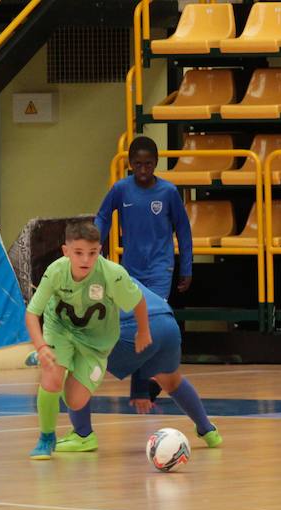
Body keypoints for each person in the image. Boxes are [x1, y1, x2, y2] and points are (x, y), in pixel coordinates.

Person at [41, 279, 221, 451]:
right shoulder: (108, 271)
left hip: (130, 327)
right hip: (166, 322)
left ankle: (82, 435)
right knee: (170, 381)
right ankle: (208, 430)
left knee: (74, 362)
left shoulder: (75, 286)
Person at [25, 221, 149, 460]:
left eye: (92, 253)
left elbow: (138, 302)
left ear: (100, 250)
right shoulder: (55, 272)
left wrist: (143, 331)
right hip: (60, 330)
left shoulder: (113, 275)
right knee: (51, 379)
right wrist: (41, 346)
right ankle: (46, 437)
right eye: (79, 253)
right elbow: (32, 313)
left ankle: (63, 362)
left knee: (74, 399)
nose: (85, 260)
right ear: (66, 251)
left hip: (96, 343)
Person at [95, 135, 194, 411]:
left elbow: (183, 231)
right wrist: (96, 247)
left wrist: (186, 266)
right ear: (129, 164)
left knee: (149, 324)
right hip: (131, 270)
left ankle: (143, 389)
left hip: (161, 269)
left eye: (148, 164)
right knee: (137, 328)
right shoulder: (120, 190)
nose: (142, 170)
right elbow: (103, 217)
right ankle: (146, 386)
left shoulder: (168, 192)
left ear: (156, 163)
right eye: (137, 164)